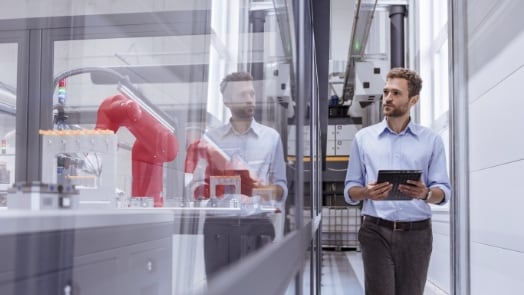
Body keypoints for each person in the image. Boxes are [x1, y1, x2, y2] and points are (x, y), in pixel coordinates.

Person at [344, 67, 451, 295]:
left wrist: (425, 194)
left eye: (396, 93)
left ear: (413, 100)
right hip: (375, 231)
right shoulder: (364, 139)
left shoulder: (431, 140)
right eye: (386, 92)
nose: (388, 98)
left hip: (417, 235)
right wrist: (366, 193)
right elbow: (350, 189)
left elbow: (443, 191)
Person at [185, 71, 288, 278]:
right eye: (243, 95)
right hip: (219, 228)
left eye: (252, 93)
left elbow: (282, 189)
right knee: (219, 288)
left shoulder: (271, 138)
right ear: (227, 101)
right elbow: (193, 189)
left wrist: (257, 188)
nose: (250, 99)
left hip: (258, 224)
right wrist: (215, 185)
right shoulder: (210, 139)